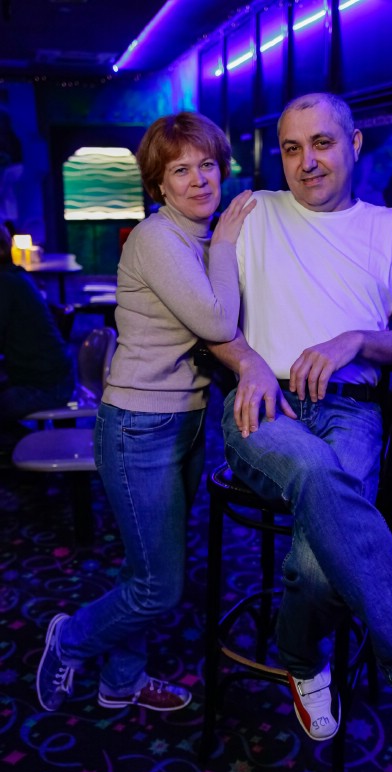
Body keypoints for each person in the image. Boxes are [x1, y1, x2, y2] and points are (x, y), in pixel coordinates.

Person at [208, 93, 392, 772]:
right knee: (316, 474)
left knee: (316, 566)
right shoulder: (252, 213)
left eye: (322, 143)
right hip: (263, 404)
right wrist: (247, 362)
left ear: (354, 145)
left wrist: (355, 340)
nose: (306, 161)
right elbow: (209, 316)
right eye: (291, 148)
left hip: (353, 409)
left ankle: (297, 653)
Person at [36, 112, 255, 715]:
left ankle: (121, 679)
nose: (198, 180)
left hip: (184, 420)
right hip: (139, 428)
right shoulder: (160, 238)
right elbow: (218, 323)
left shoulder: (197, 236)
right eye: (180, 170)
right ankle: (70, 638)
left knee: (147, 569)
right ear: (158, 184)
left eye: (207, 165)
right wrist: (229, 242)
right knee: (160, 586)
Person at [0, 223, 75, 445]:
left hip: (46, 386)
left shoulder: (6, 283)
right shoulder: (14, 276)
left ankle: (32, 448)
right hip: (50, 378)